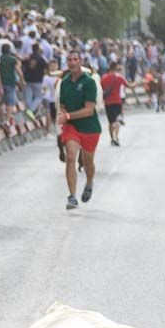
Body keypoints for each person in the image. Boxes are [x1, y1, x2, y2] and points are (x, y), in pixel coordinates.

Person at [57, 51, 100, 210]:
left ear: (80, 61)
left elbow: (89, 110)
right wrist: (62, 114)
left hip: (90, 127)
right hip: (72, 126)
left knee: (88, 163)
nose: (72, 62)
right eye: (69, 60)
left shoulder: (89, 82)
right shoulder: (64, 83)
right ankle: (72, 197)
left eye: (75, 59)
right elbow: (62, 106)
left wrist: (67, 115)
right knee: (70, 157)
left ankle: (89, 182)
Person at [100, 60, 126, 146]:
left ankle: (112, 139)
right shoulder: (119, 77)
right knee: (117, 120)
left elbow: (101, 89)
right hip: (117, 102)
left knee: (111, 122)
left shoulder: (103, 78)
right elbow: (129, 85)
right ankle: (116, 137)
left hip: (108, 103)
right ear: (116, 68)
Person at [22, 41, 46, 116]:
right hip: (38, 81)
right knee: (39, 96)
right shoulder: (42, 59)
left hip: (27, 79)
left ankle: (29, 111)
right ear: (38, 49)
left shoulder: (27, 58)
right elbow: (45, 70)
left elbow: (22, 66)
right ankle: (31, 110)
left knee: (28, 96)